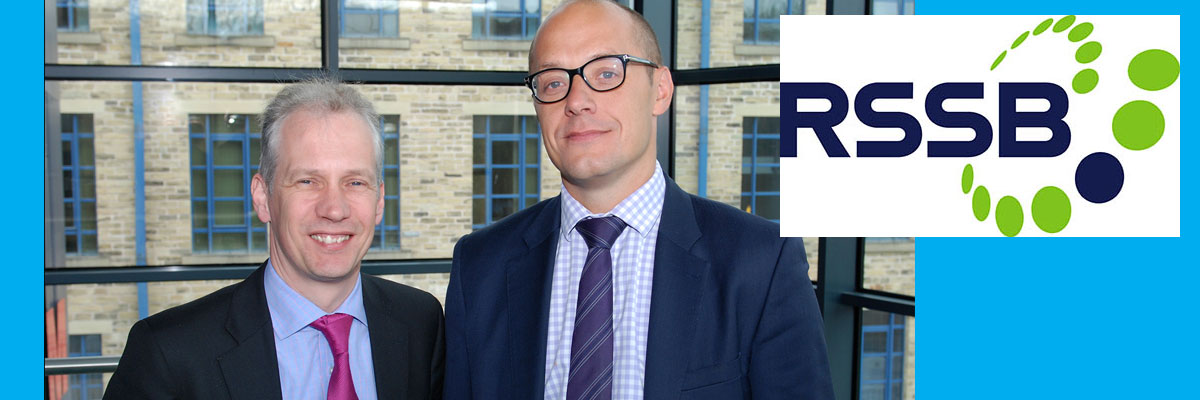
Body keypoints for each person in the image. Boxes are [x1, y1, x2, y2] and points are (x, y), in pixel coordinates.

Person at [444, 1, 833, 399]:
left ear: (660, 91)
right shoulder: (480, 267)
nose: (576, 100)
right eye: (553, 83)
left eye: (607, 73)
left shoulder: (760, 261)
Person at [104, 79, 445, 400]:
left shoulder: (421, 323)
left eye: (355, 182)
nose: (335, 209)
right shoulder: (168, 354)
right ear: (263, 198)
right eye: (307, 181)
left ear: (379, 201)